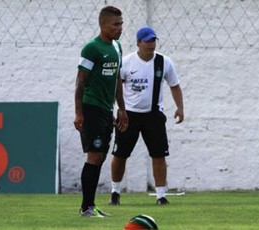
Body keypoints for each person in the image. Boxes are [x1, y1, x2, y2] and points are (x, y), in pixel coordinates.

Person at [109, 27, 184, 205]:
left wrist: (180, 108)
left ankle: (161, 195)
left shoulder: (164, 62)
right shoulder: (126, 62)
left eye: (153, 41)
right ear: (138, 43)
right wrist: (114, 110)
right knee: (120, 154)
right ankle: (115, 192)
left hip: (153, 115)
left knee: (159, 155)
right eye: (147, 41)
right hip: (128, 115)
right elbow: (115, 89)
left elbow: (174, 85)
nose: (151, 44)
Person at [74, 6, 128, 218]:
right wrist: (79, 112)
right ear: (103, 25)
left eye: (121, 24)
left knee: (101, 156)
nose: (120, 28)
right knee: (94, 156)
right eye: (115, 24)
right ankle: (87, 208)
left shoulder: (117, 47)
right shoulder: (92, 48)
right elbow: (80, 82)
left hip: (106, 110)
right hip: (91, 107)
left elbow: (116, 80)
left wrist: (121, 108)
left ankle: (90, 206)